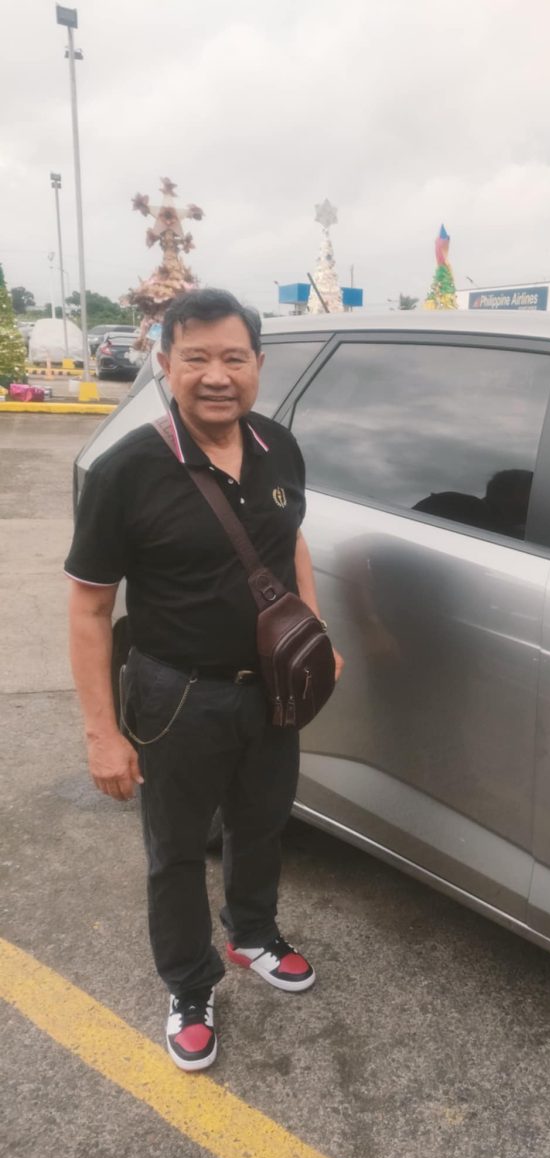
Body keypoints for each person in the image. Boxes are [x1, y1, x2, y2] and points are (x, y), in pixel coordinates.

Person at [65, 288, 343, 1071]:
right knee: (178, 848)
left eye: (233, 358)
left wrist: (314, 632)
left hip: (272, 689)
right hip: (175, 693)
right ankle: (190, 984)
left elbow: (289, 544)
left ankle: (252, 933)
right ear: (165, 364)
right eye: (196, 358)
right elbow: (89, 608)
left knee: (261, 823)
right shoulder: (127, 471)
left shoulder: (278, 446)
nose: (216, 376)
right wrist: (102, 733)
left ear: (258, 364)